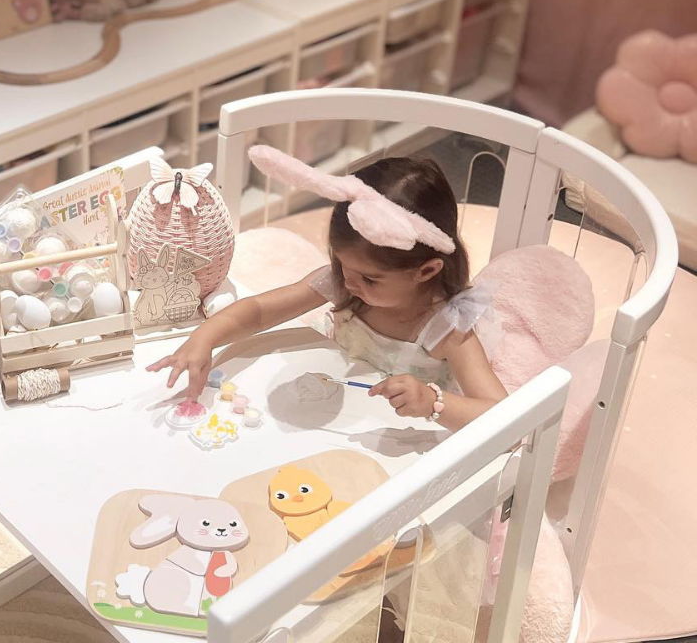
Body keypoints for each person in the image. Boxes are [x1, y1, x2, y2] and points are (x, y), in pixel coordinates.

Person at [148, 147, 507, 431]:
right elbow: (260, 311)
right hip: (330, 401)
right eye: (342, 265)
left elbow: (503, 415)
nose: (349, 283)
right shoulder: (345, 284)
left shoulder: (447, 328)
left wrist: (433, 402)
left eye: (370, 279)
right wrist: (204, 338)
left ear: (426, 271)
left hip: (393, 434)